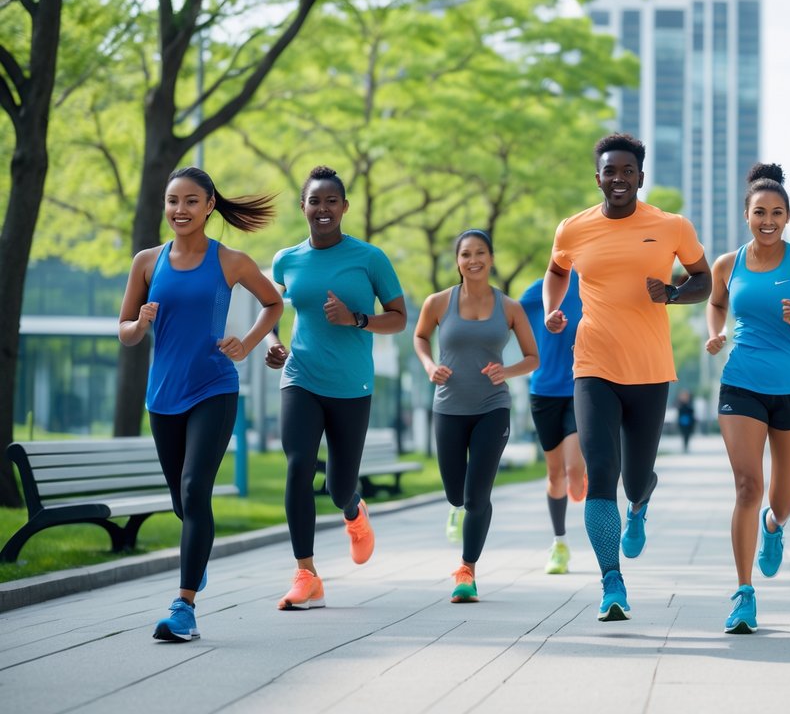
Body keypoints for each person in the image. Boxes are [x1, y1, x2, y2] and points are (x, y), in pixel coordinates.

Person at [544, 132, 711, 622]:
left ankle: (640, 503)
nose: (618, 179)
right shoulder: (573, 229)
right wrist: (556, 308)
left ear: (641, 176)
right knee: (601, 474)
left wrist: (674, 294)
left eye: (627, 171)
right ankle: (611, 582)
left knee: (635, 480)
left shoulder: (671, 226)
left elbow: (703, 281)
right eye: (609, 171)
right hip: (593, 365)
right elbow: (557, 270)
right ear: (597, 177)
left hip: (650, 369)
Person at [118, 167, 283, 641]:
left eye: (191, 201)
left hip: (214, 387)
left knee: (194, 490)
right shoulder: (147, 262)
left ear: (209, 206)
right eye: (173, 201)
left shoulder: (230, 261)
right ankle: (198, 555)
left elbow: (273, 304)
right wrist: (141, 323)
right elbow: (125, 330)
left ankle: (184, 605)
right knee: (182, 503)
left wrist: (248, 344)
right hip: (163, 395)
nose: (180, 210)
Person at [265, 165, 407, 611]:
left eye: (331, 201)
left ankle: (354, 512)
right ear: (303, 207)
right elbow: (271, 309)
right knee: (298, 465)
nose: (322, 209)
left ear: (344, 207)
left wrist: (357, 319)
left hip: (351, 386)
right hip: (301, 377)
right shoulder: (287, 259)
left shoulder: (369, 258)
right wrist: (272, 343)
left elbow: (400, 318)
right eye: (314, 201)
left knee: (339, 486)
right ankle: (306, 574)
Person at [706, 163, 790, 634]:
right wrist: (716, 333)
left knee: (782, 501)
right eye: (759, 212)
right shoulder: (728, 264)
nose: (768, 220)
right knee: (747, 485)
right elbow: (717, 302)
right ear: (746, 214)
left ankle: (774, 525)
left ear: (787, 216)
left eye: (776, 213)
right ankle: (743, 594)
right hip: (741, 384)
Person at [415, 229, 539, 602]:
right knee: (456, 493)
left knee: (477, 496)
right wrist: (428, 366)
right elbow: (420, 337)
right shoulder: (437, 303)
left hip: (492, 407)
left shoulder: (510, 307)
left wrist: (508, 372)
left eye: (480, 252)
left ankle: (466, 571)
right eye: (466, 254)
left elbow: (533, 357)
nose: (473, 260)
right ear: (458, 262)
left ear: (491, 258)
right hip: (449, 407)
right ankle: (459, 509)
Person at [519, 271, 586, 574]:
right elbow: (508, 316)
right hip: (543, 389)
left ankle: (579, 474)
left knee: (571, 468)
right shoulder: (538, 289)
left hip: (578, 386)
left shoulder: (592, 283)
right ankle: (559, 543)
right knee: (554, 473)